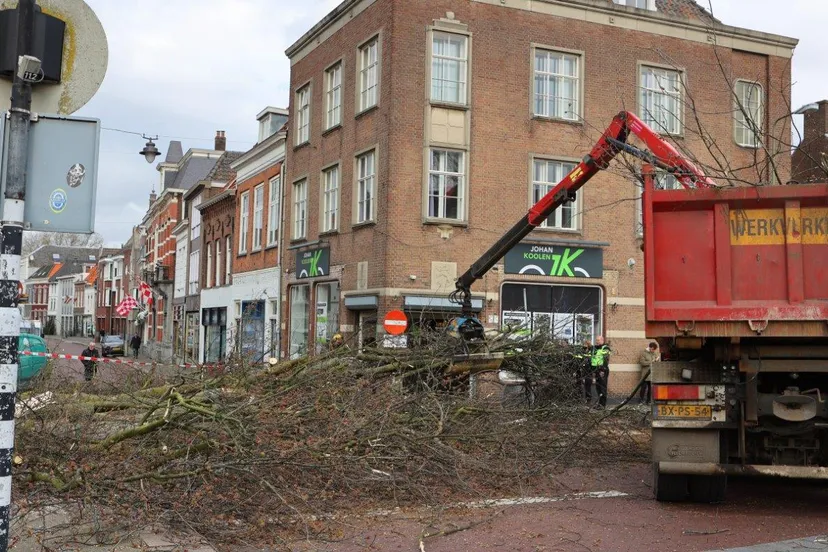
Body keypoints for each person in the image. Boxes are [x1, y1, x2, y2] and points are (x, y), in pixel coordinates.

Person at [591, 335, 611, 408]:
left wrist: (602, 369)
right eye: (596, 340)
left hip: (602, 370)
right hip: (596, 370)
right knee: (598, 388)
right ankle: (599, 404)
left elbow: (606, 359)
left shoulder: (605, 348)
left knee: (602, 388)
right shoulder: (596, 348)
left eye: (598, 340)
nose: (597, 341)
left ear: (602, 340)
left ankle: (602, 405)